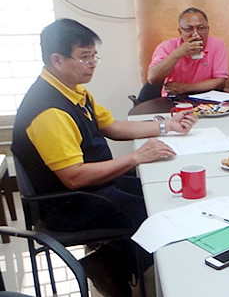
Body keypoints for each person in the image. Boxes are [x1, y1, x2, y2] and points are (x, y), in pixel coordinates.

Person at [12, 18, 198, 295]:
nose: (93, 63)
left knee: (160, 195)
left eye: (93, 56)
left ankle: (109, 261)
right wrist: (136, 158)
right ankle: (111, 264)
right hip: (68, 204)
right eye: (85, 57)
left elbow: (114, 127)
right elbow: (73, 178)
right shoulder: (49, 112)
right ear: (57, 60)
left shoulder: (72, 91)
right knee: (157, 215)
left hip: (96, 186)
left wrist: (167, 125)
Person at [148, 7, 229, 97]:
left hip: (208, 98)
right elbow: (152, 79)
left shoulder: (217, 44)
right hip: (175, 99)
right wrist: (177, 54)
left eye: (201, 28)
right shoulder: (166, 47)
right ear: (180, 31)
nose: (196, 34)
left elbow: (220, 81)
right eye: (189, 29)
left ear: (208, 29)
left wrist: (185, 88)